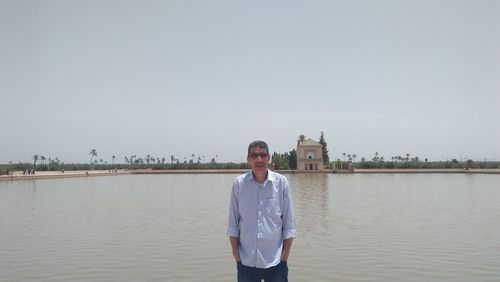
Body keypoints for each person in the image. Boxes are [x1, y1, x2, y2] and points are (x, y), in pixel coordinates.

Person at [227, 140, 297, 282]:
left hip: (276, 261)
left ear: (268, 157)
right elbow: (233, 223)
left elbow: (289, 223)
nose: (259, 159)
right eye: (254, 155)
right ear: (248, 159)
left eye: (262, 155)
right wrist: (236, 253)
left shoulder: (281, 183)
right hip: (246, 261)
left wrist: (285, 254)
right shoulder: (239, 185)